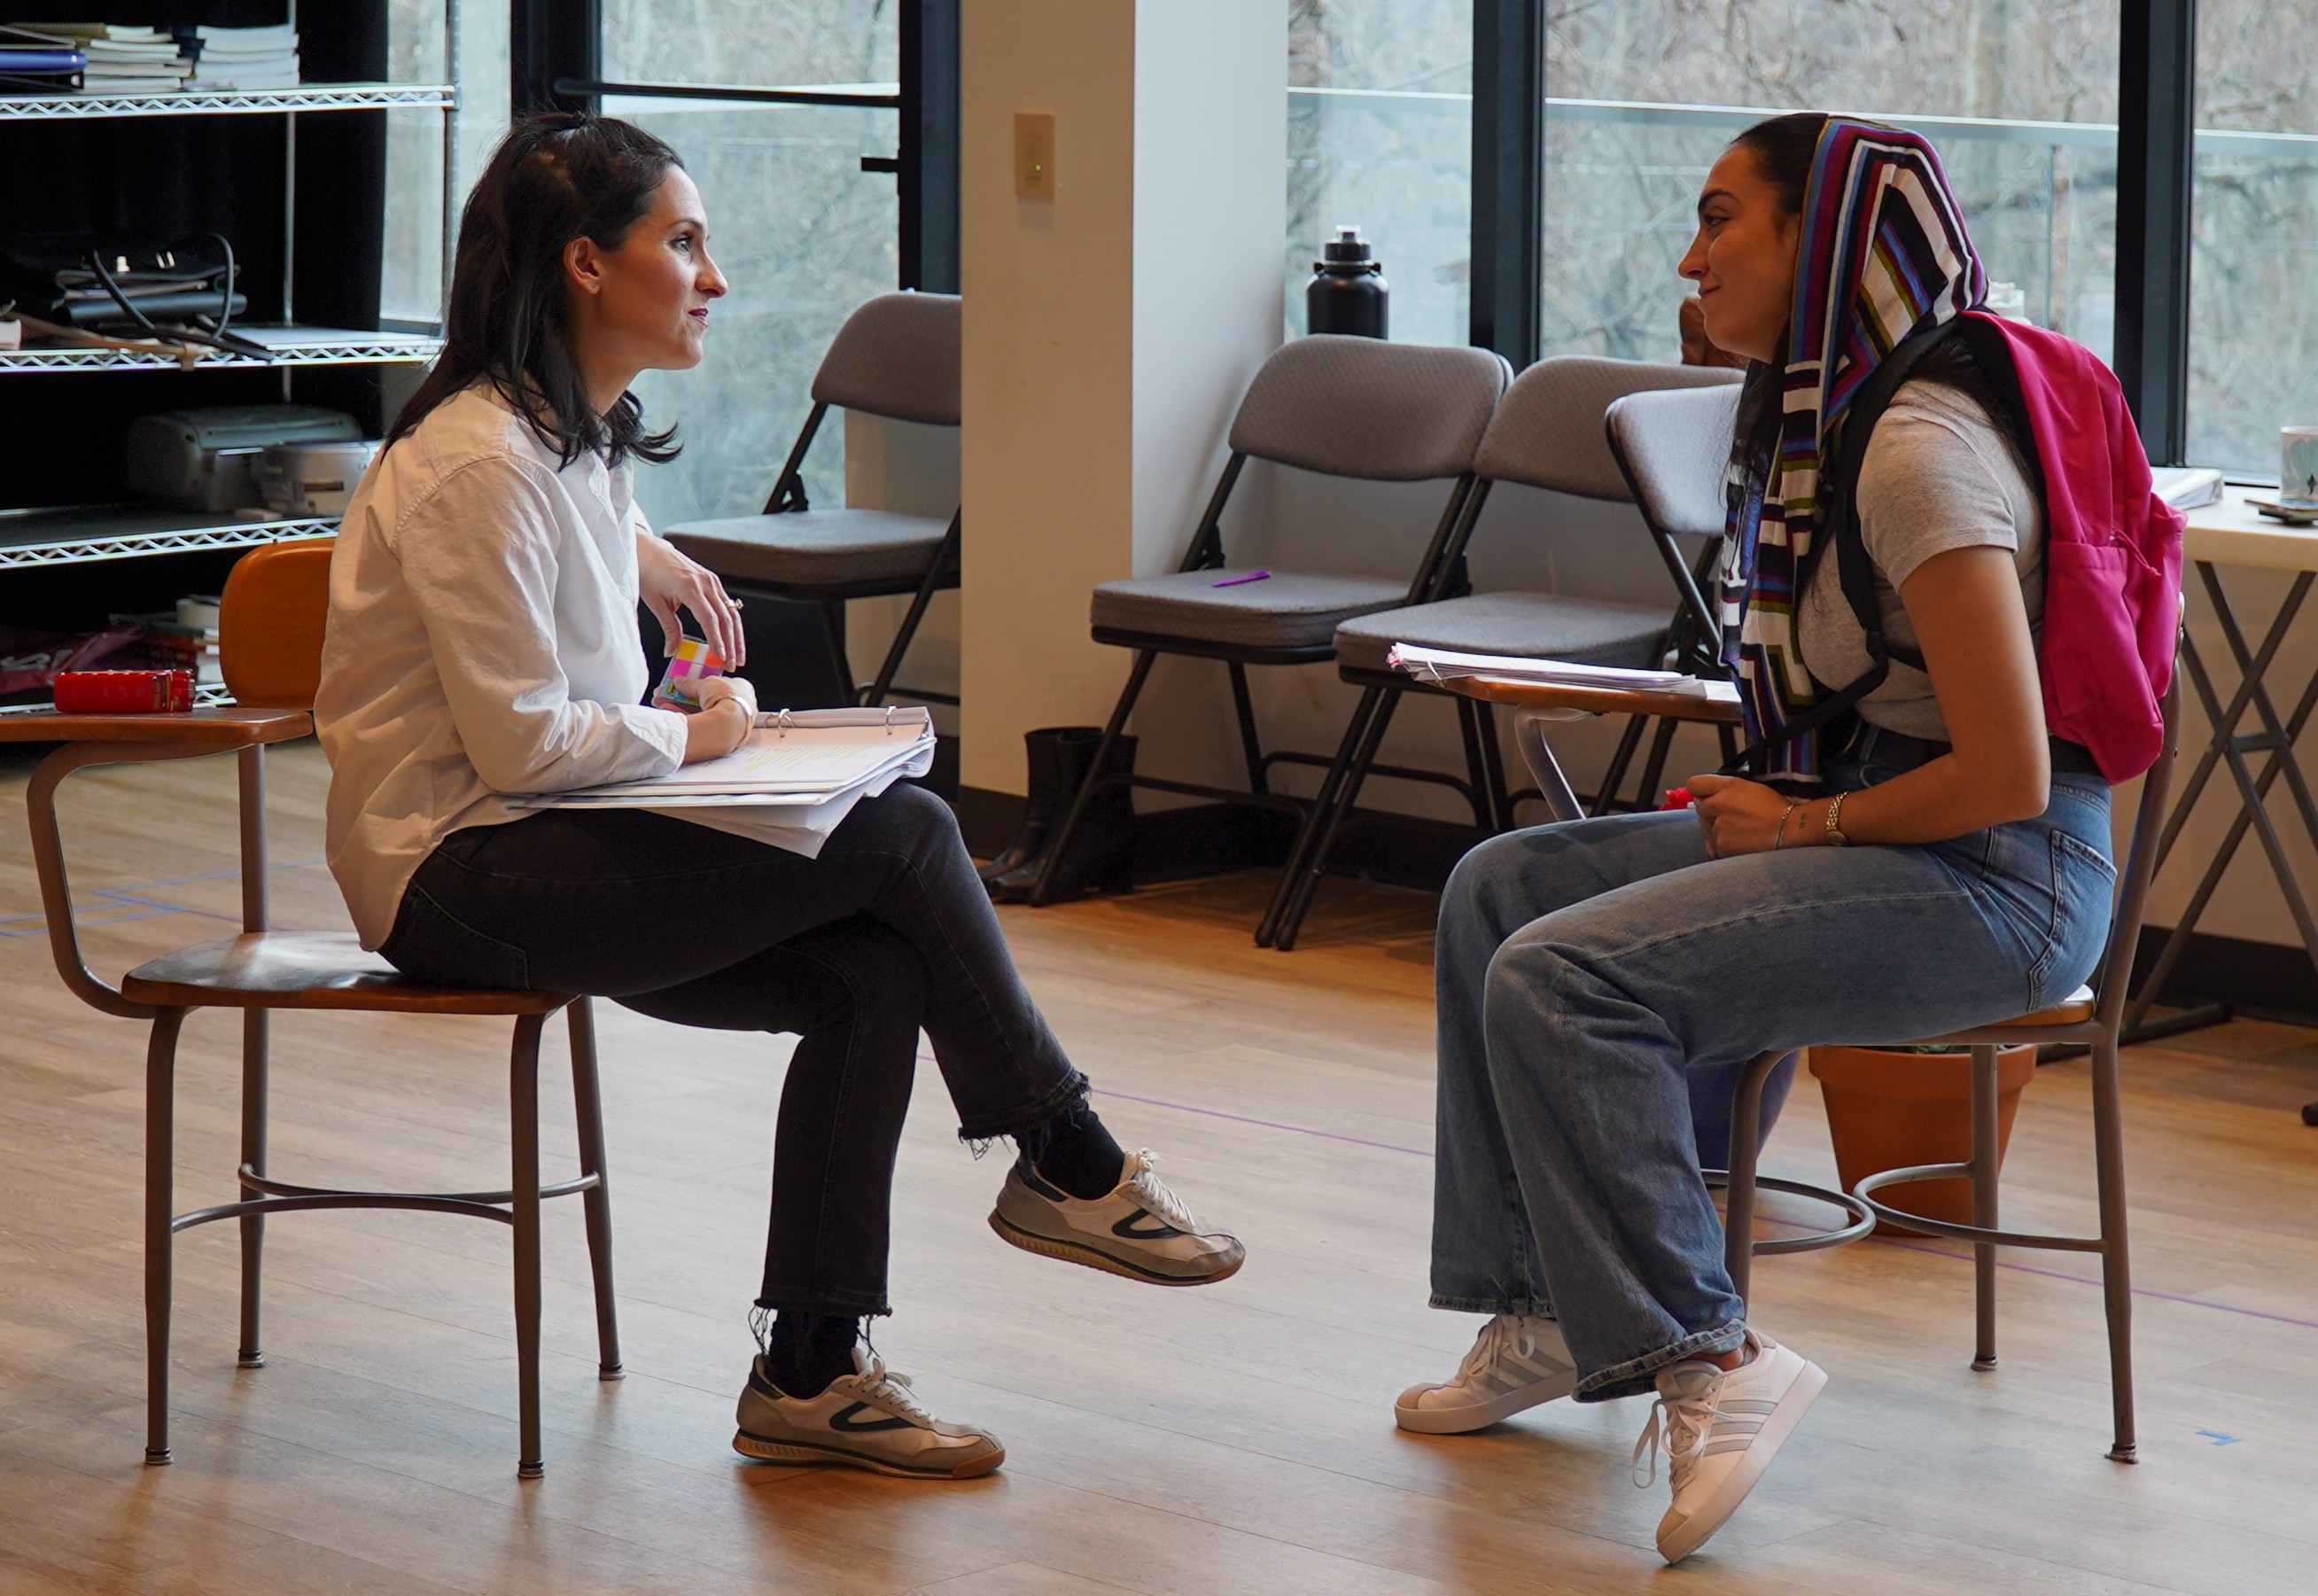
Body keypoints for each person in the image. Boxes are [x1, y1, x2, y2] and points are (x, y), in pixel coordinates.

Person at [315, 113, 1243, 1483]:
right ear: (584, 264)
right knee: (915, 830)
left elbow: (575, 526)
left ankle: (812, 1370)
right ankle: (1066, 1150)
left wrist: (654, 557)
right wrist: (703, 735)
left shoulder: (569, 434)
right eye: (682, 244)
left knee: (875, 968)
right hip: (461, 875)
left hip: (554, 842)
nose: (716, 276)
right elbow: (519, 748)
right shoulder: (478, 463)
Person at [1396, 113, 2120, 1562]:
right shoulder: (1821, 420)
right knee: (1497, 891)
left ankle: (1710, 1358)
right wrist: (1805, 815)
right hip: (1894, 836)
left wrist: (1803, 817)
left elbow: (2007, 767)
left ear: (1826, 245)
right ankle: (1543, 1305)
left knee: (1561, 976)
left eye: (1725, 218)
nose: (1690, 253)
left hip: (2002, 876)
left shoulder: (1917, 453)